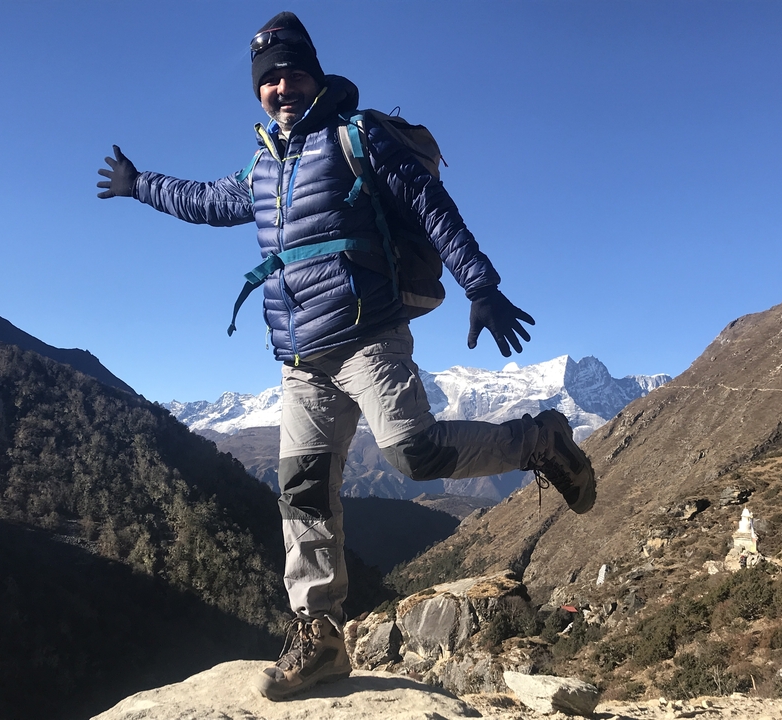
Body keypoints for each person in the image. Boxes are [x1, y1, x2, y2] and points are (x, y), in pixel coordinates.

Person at [97, 11, 596, 700]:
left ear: (316, 74)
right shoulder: (261, 169)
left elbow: (429, 204)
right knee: (302, 492)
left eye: (292, 73)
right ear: (257, 91)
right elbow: (204, 201)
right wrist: (138, 184)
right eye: (267, 80)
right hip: (300, 361)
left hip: (369, 336)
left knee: (413, 453)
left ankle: (540, 442)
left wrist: (480, 283)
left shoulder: (352, 138)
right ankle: (319, 635)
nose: (280, 87)